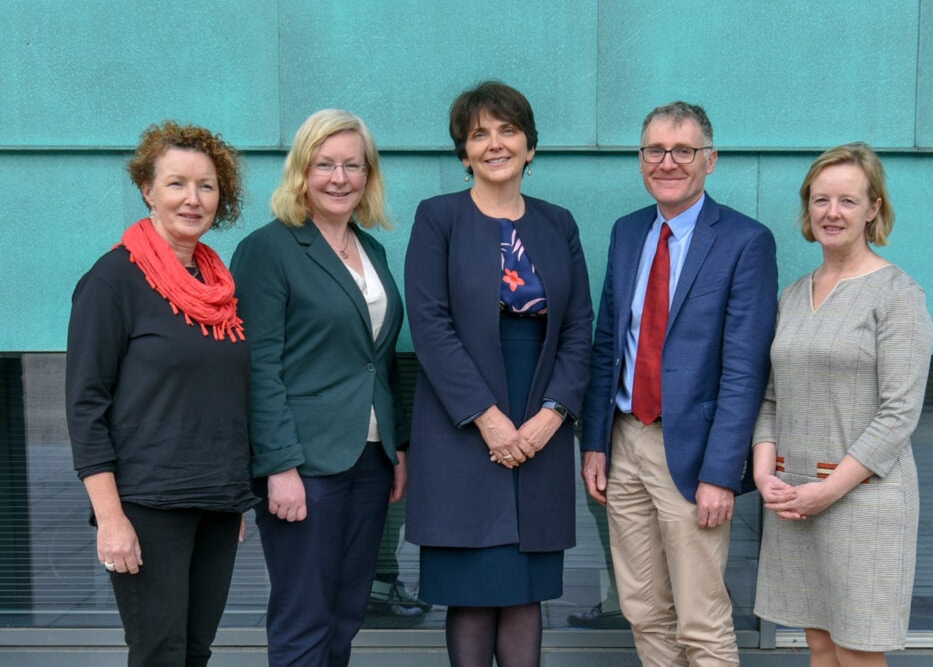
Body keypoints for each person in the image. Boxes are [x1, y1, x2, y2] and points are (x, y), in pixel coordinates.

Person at [581, 101, 778, 667]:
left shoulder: (745, 241)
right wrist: (595, 441)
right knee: (642, 609)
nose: (667, 162)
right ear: (641, 159)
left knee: (701, 620)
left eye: (683, 150)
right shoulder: (626, 233)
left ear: (709, 160)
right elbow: (606, 345)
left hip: (691, 453)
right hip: (624, 440)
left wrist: (722, 472)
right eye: (654, 150)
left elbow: (745, 371)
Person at [404, 80, 593, 667]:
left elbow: (579, 329)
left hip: (540, 420)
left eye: (507, 130)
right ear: (463, 153)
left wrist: (550, 418)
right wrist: (489, 420)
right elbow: (430, 326)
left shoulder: (558, 223)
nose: (494, 144)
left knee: (523, 595)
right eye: (478, 134)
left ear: (530, 147)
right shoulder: (438, 218)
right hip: (462, 427)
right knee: (472, 595)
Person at [66, 121, 255, 666]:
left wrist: (231, 490)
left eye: (206, 186)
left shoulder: (218, 288)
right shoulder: (112, 281)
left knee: (195, 651)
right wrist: (110, 518)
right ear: (147, 189)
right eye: (176, 184)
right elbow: (85, 406)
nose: (192, 199)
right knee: (159, 653)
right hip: (148, 504)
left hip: (216, 501)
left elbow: (223, 395)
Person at [230, 109, 407, 666]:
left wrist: (396, 446)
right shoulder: (270, 249)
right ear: (301, 172)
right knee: (304, 616)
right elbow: (260, 366)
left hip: (370, 459)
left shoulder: (370, 250)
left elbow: (378, 361)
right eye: (325, 164)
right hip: (304, 464)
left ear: (368, 174)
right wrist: (279, 466)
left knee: (346, 611)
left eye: (352, 166)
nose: (339, 178)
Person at [752, 143, 933, 666]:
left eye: (848, 201)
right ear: (808, 207)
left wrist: (826, 492)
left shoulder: (897, 294)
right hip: (797, 499)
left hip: (864, 502)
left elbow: (899, 413)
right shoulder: (793, 294)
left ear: (874, 208)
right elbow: (770, 397)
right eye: (821, 199)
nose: (832, 212)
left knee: (857, 652)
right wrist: (767, 476)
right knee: (819, 644)